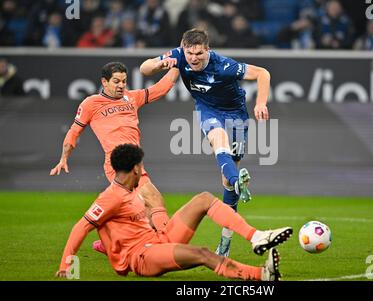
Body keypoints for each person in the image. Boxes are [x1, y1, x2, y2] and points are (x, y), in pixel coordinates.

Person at [56, 144, 293, 280]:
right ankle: (261, 275)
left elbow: (120, 229)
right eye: (141, 166)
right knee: (202, 253)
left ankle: (256, 236)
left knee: (203, 199)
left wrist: (106, 246)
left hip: (158, 239)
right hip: (143, 257)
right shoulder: (111, 197)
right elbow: (82, 226)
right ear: (136, 168)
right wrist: (67, 266)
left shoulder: (131, 191)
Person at [139, 28, 271, 257]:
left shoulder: (224, 66)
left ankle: (226, 238)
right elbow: (144, 67)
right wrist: (160, 65)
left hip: (236, 116)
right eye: (190, 53)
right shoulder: (179, 55)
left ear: (207, 50)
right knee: (217, 139)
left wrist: (260, 102)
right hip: (208, 110)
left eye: (199, 53)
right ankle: (236, 179)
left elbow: (263, 73)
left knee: (227, 184)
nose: (194, 58)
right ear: (184, 48)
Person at [50, 62, 179, 250]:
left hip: (135, 163)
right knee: (153, 199)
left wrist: (178, 63)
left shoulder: (131, 97)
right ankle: (169, 247)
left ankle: (110, 243)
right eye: (116, 81)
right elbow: (74, 132)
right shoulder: (90, 104)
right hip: (118, 164)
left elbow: (160, 89)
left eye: (124, 81)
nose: (121, 85)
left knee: (140, 210)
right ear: (104, 82)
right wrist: (64, 157)